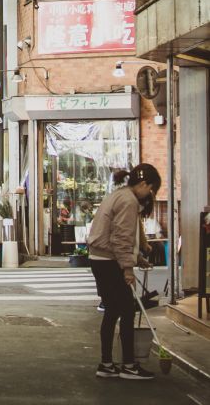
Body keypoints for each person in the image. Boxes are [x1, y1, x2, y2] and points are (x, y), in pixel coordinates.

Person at [88, 163, 161, 380]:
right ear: (143, 183)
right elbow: (121, 238)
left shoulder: (119, 195)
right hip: (109, 262)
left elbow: (117, 236)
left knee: (112, 311)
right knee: (127, 311)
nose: (150, 193)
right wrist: (128, 268)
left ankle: (107, 364)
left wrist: (137, 258)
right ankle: (129, 364)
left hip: (100, 258)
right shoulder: (128, 201)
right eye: (151, 189)